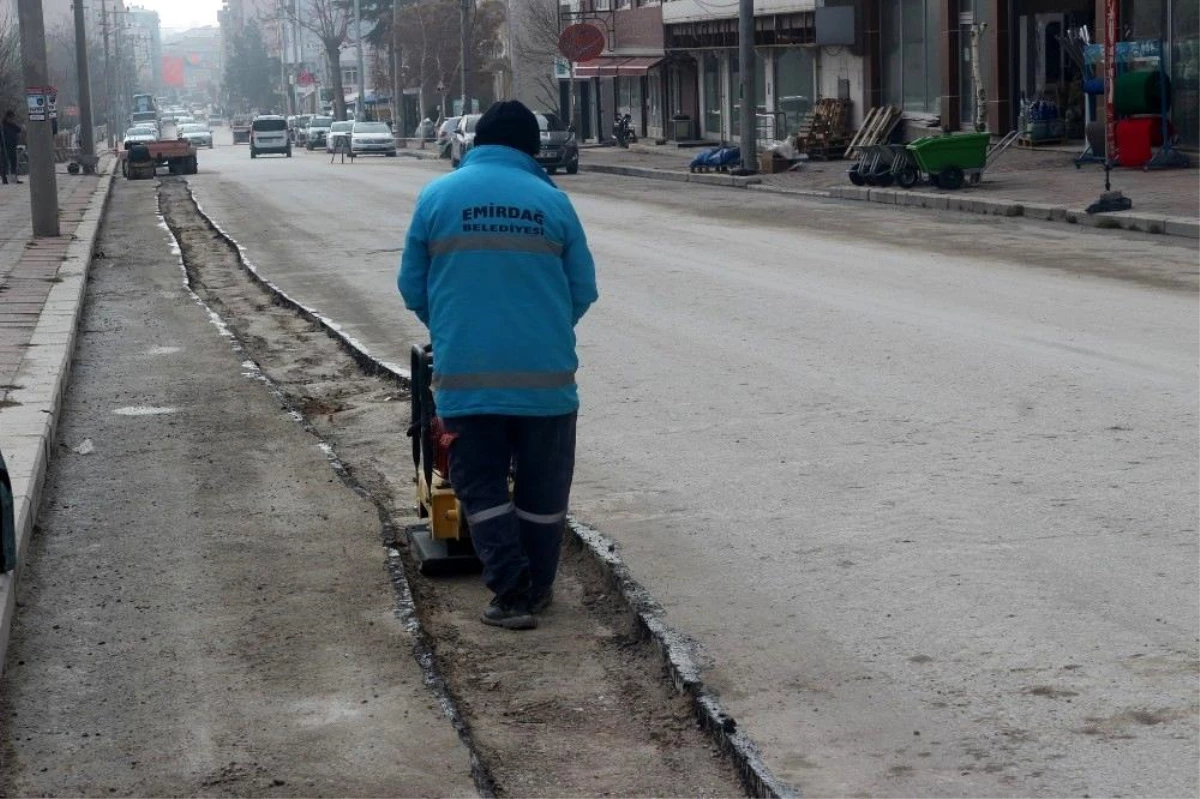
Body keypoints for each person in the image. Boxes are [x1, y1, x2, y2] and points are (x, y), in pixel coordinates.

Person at [398, 100, 598, 631]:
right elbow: (584, 290)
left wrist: (451, 329)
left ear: (475, 141)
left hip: (468, 379)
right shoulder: (553, 202)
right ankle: (540, 587)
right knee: (543, 492)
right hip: (548, 383)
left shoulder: (437, 197)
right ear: (532, 149)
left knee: (481, 487)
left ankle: (510, 592)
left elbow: (411, 287)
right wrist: (544, 329)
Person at [1, 111, 22, 185]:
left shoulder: (13, 125)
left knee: (14, 162)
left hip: (13, 146)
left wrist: (14, 123)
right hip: (4, 147)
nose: (12, 119)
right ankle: (4, 179)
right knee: (5, 163)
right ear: (7, 118)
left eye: (13, 118)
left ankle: (14, 179)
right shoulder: (2, 126)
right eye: (11, 118)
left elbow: (19, 129)